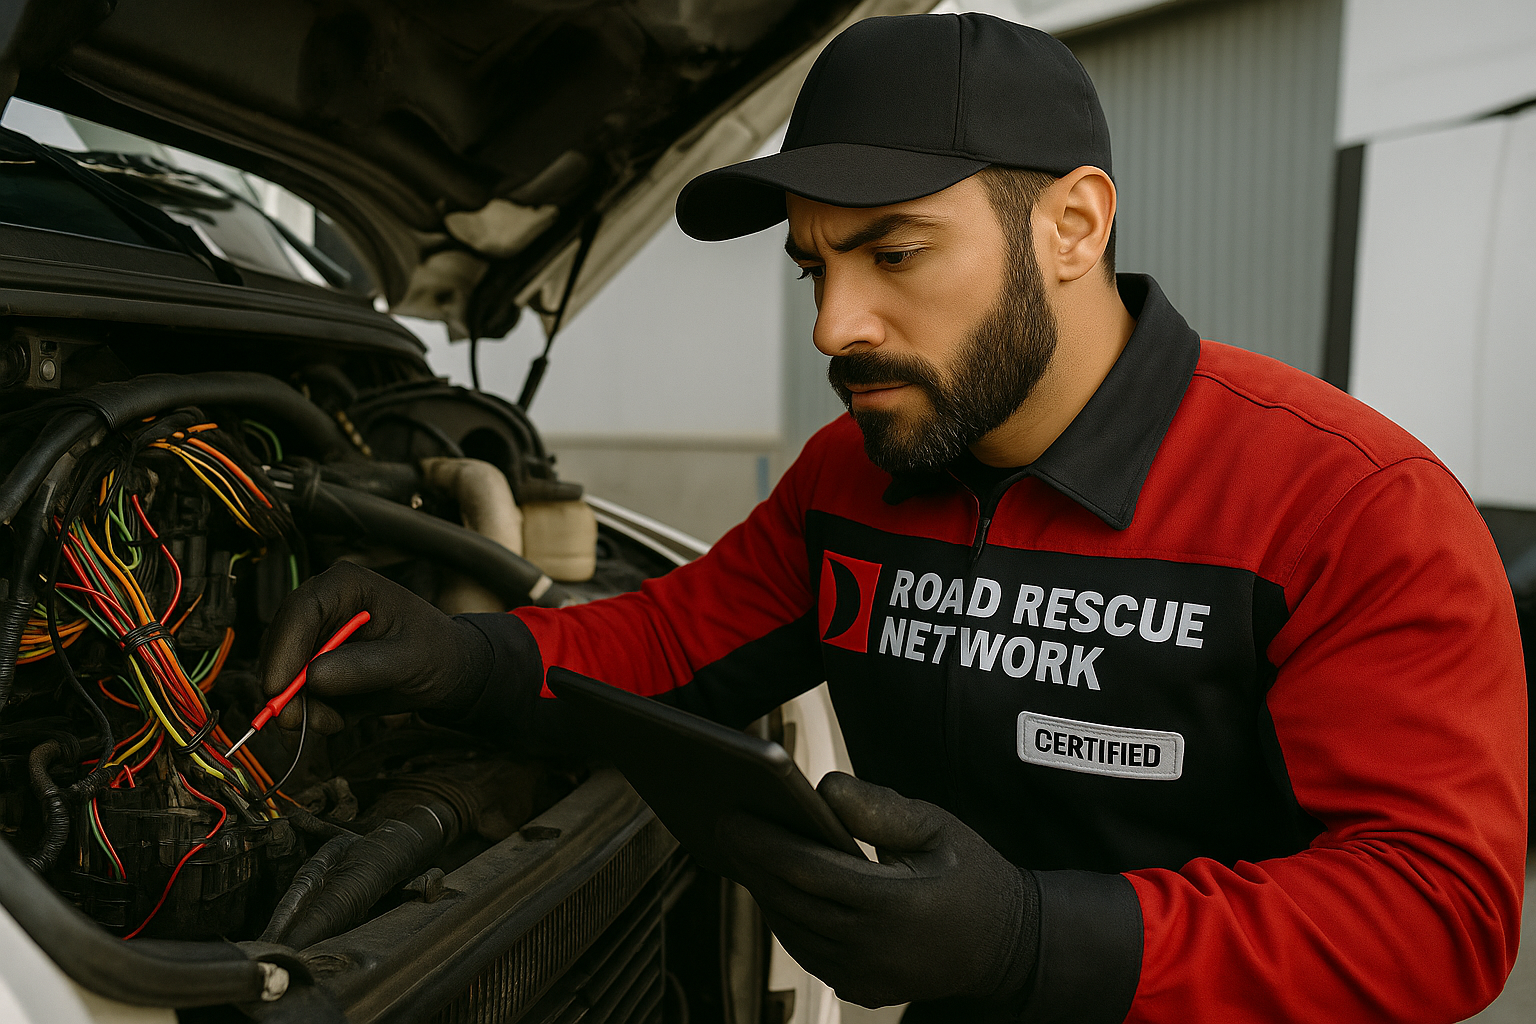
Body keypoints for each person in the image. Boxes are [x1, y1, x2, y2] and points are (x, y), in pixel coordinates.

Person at [258, 13, 1527, 1023]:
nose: (834, 325)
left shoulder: (1349, 506)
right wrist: (459, 656)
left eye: (897, 253)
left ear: (1074, 225)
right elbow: (667, 649)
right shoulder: (850, 476)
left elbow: (1437, 919)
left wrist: (1036, 936)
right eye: (816, 265)